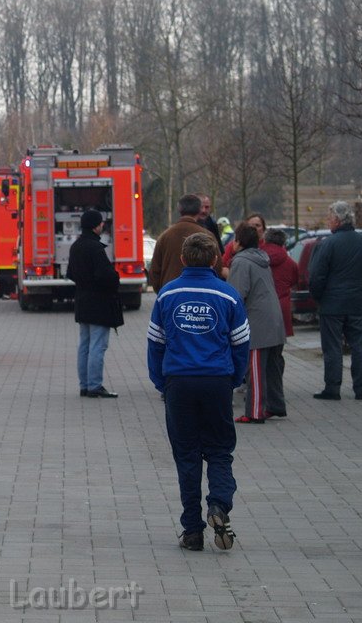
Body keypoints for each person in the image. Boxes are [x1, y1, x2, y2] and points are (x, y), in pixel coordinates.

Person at [148, 232, 248, 551]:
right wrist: (233, 379)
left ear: (181, 259)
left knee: (187, 456)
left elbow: (156, 345)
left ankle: (192, 530)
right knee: (219, 450)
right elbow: (241, 346)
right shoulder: (229, 296)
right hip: (217, 380)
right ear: (216, 259)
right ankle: (218, 505)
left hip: (179, 381)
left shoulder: (167, 295)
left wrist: (162, 382)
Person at [309, 201, 362, 400]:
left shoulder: (327, 244)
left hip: (331, 305)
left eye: (330, 218)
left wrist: (319, 297)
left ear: (337, 221)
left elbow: (316, 276)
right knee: (359, 345)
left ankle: (332, 387)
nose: (328, 221)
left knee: (332, 347)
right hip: (356, 302)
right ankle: (361, 387)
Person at [228, 223, 286, 424]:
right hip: (274, 318)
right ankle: (275, 405)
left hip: (257, 321)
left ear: (239, 241)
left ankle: (254, 411)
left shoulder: (241, 262)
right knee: (272, 367)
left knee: (255, 368)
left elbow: (237, 294)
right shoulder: (262, 259)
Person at [65, 209, 122, 398]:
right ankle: (95, 386)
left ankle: (84, 385)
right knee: (98, 345)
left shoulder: (76, 246)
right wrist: (115, 278)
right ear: (96, 226)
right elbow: (106, 276)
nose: (102, 225)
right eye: (101, 223)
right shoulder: (96, 248)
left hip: (82, 301)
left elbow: (71, 273)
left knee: (85, 345)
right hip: (99, 303)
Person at [149, 194, 224, 292]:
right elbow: (217, 267)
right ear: (199, 210)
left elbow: (154, 271)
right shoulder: (208, 235)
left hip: (171, 294)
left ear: (179, 209)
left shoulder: (164, 236)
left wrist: (163, 292)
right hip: (202, 293)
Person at [265, 228, 298, 418]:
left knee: (262, 356)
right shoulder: (290, 262)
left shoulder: (261, 259)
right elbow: (294, 280)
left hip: (263, 309)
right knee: (277, 354)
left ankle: (263, 395)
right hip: (282, 308)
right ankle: (276, 393)